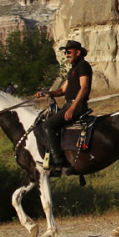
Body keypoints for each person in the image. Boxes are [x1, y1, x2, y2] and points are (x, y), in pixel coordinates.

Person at [38, 39, 93, 175]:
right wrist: (47, 93)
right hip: (69, 104)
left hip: (77, 105)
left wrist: (72, 108)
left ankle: (58, 164)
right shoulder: (73, 69)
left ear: (78, 52)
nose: (66, 55)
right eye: (65, 53)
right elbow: (62, 91)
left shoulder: (83, 66)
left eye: (69, 52)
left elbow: (84, 88)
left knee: (48, 125)